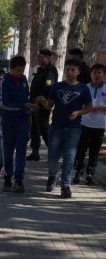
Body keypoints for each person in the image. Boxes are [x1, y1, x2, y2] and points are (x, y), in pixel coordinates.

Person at [43, 58, 93, 198]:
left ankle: (65, 185)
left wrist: (78, 113)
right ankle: (52, 176)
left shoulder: (83, 88)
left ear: (78, 72)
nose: (70, 72)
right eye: (68, 70)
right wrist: (43, 102)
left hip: (73, 128)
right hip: (56, 127)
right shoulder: (57, 86)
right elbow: (49, 105)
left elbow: (89, 107)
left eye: (73, 70)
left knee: (69, 157)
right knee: (53, 156)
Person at [0, 54, 31, 193]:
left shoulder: (24, 80)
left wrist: (29, 109)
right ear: (11, 69)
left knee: (21, 151)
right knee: (8, 151)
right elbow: (3, 104)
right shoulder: (4, 82)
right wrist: (22, 106)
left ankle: (19, 180)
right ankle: (7, 177)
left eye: (22, 70)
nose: (20, 73)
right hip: (9, 121)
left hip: (23, 121)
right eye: (18, 70)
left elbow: (27, 96)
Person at [75, 62, 106, 185]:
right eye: (94, 73)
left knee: (94, 151)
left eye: (99, 73)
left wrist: (99, 107)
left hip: (99, 125)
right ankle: (78, 171)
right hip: (84, 123)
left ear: (104, 75)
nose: (96, 75)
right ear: (91, 74)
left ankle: (90, 174)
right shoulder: (84, 87)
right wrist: (86, 107)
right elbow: (78, 104)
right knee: (80, 149)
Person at [28, 47, 57, 160]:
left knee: (44, 128)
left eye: (40, 56)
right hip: (34, 103)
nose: (39, 58)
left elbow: (49, 85)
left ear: (47, 57)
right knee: (34, 128)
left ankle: (53, 152)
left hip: (42, 104)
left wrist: (42, 99)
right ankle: (35, 152)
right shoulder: (40, 69)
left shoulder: (50, 70)